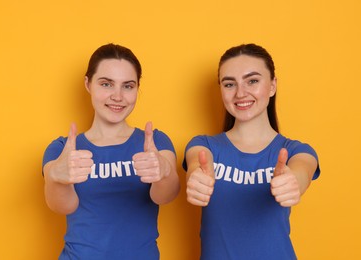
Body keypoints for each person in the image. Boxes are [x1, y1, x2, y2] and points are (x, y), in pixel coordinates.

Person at [42, 43, 180, 259]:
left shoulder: (154, 142)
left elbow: (166, 195)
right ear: (88, 84)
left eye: (128, 86)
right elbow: (62, 206)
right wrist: (56, 178)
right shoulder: (62, 149)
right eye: (106, 84)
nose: (117, 96)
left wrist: (164, 172)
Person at [183, 43, 320, 259]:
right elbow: (196, 164)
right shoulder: (203, 146)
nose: (240, 93)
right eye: (229, 84)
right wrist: (195, 178)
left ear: (273, 85)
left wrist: (293, 182)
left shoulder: (296, 151)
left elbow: (302, 170)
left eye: (252, 81)